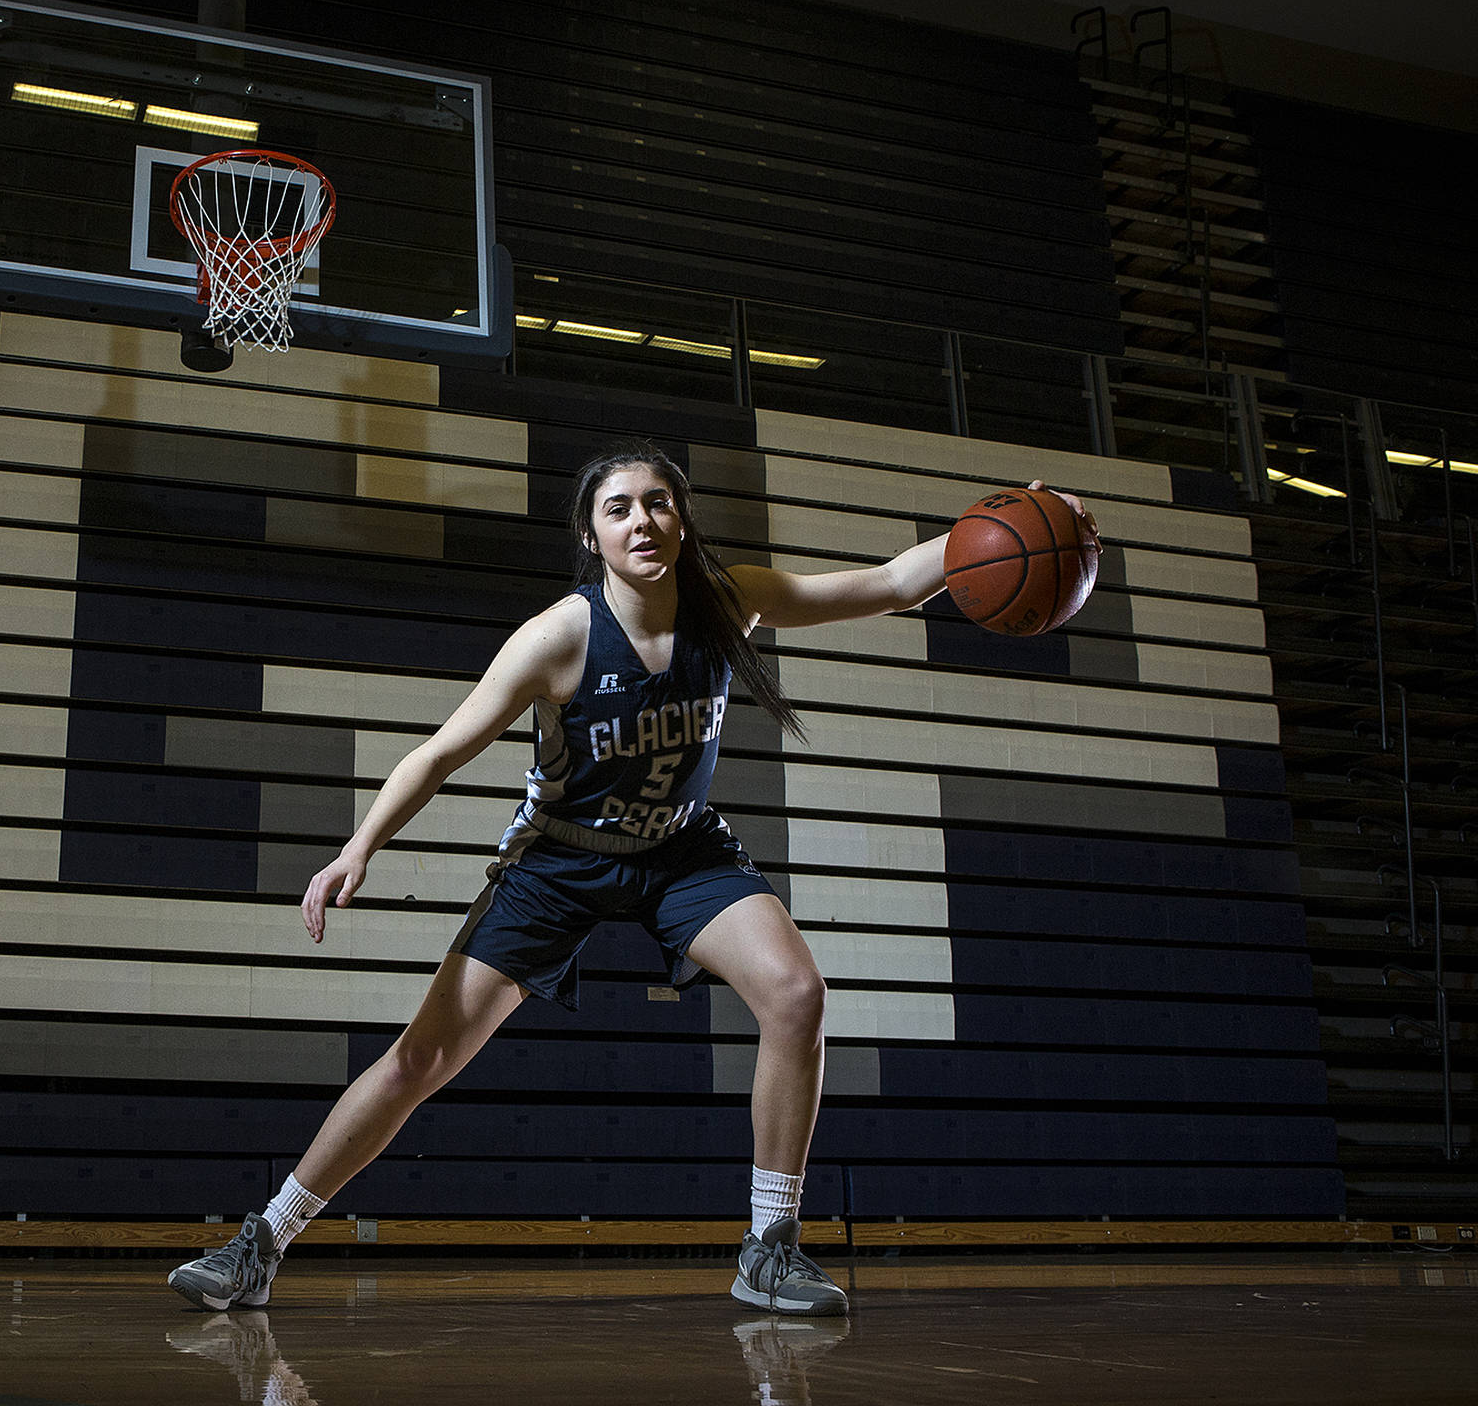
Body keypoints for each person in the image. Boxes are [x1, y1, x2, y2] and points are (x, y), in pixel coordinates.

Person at [168, 443, 1093, 1315]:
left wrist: (1024, 517)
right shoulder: (558, 638)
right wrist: (358, 846)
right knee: (423, 1058)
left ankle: (769, 1246)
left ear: (682, 520)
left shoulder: (730, 602)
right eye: (619, 509)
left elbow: (893, 583)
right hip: (561, 859)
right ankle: (262, 1243)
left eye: (658, 502)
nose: (642, 520)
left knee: (797, 993)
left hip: (681, 849)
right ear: (592, 535)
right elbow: (440, 751)